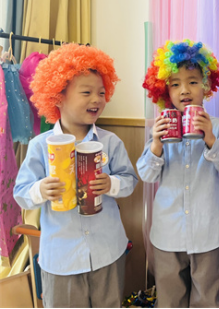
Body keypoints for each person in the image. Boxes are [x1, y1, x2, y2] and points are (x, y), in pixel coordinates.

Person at [14, 44, 138, 308]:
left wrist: (111, 184)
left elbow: (130, 181)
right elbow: (21, 193)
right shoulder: (40, 146)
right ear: (57, 96)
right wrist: (40, 190)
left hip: (108, 252)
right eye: (86, 92)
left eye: (101, 92)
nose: (97, 99)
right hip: (62, 259)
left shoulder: (110, 142)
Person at [138, 40, 219, 308]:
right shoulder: (161, 127)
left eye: (193, 82)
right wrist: (156, 144)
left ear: (206, 86)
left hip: (208, 232)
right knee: (169, 300)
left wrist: (210, 139)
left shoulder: (217, 126)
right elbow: (146, 175)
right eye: (175, 84)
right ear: (165, 91)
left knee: (210, 299)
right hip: (167, 234)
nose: (184, 90)